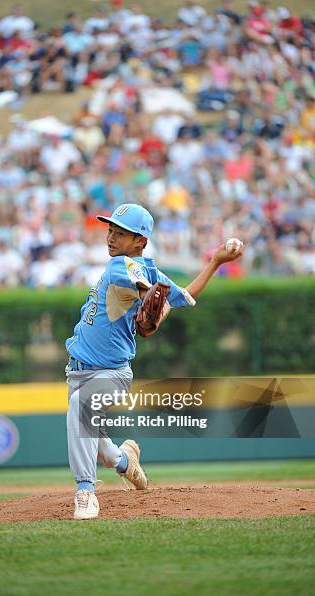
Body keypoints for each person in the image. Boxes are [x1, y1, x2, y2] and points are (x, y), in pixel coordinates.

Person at [65, 203, 244, 519]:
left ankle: (85, 492)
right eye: (110, 230)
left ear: (140, 242)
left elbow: (177, 295)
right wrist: (155, 302)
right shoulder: (144, 272)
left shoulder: (123, 266)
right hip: (77, 370)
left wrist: (216, 261)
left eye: (121, 233)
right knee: (103, 450)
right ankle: (126, 462)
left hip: (111, 373)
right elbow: (176, 297)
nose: (111, 237)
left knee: (80, 407)